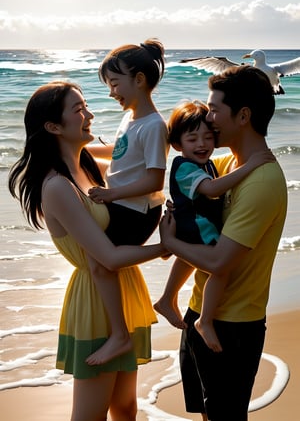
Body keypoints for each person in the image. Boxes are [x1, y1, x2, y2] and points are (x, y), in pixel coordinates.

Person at [8, 81, 167, 421]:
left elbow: (138, 157)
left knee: (125, 408)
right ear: (53, 126)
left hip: (124, 287)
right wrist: (165, 246)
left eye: (86, 106)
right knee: (89, 416)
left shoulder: (89, 165)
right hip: (96, 300)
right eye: (78, 110)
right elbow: (107, 257)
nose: (89, 115)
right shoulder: (57, 187)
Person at [159, 66, 287, 421]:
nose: (209, 118)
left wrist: (169, 240)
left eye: (215, 109)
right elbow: (180, 166)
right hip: (200, 312)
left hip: (233, 327)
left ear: (243, 115)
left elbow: (218, 263)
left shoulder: (261, 182)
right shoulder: (228, 162)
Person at [154, 99, 275, 353]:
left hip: (191, 226)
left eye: (208, 137)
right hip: (197, 225)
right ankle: (205, 319)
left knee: (187, 258)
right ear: (177, 144)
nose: (202, 144)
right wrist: (250, 164)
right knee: (220, 269)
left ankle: (167, 298)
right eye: (192, 139)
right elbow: (211, 188)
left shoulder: (204, 163)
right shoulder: (185, 167)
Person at [85, 39, 169, 364]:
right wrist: (80, 150)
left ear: (139, 79)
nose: (111, 93)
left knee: (103, 263)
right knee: (99, 258)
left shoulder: (154, 126)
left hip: (138, 210)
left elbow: (154, 180)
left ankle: (120, 336)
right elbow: (120, 154)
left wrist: (110, 193)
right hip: (123, 204)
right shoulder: (132, 118)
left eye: (114, 83)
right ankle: (118, 330)